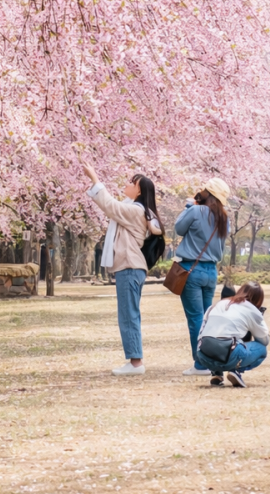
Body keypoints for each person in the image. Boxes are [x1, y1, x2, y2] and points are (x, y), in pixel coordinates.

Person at [82, 161, 163, 376]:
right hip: (131, 266)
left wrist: (95, 179)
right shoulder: (137, 209)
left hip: (130, 266)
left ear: (139, 190)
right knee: (129, 313)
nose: (126, 185)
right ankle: (134, 360)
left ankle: (136, 363)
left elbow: (111, 206)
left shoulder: (136, 210)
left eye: (131, 183)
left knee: (128, 314)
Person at [173, 178, 230, 376]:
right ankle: (211, 360)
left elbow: (179, 229)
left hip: (192, 269)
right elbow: (221, 247)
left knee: (195, 318)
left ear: (208, 194)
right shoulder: (224, 217)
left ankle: (200, 364)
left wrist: (189, 206)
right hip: (211, 271)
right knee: (208, 318)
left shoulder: (196, 211)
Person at [195, 281, 270, 387]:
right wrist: (257, 324)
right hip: (229, 355)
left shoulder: (216, 305)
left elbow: (202, 332)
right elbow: (264, 341)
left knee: (221, 338)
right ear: (259, 299)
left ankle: (216, 372)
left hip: (203, 356)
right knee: (261, 350)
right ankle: (236, 371)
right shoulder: (252, 310)